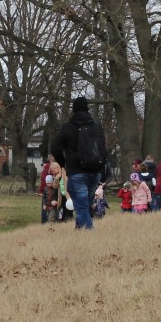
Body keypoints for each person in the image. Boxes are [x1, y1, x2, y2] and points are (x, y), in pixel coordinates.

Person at [49, 97, 109, 230]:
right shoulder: (97, 127)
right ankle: (78, 228)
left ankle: (89, 232)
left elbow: (55, 148)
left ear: (74, 110)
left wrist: (64, 163)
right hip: (95, 171)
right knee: (85, 204)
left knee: (81, 206)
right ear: (87, 108)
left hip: (77, 172)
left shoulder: (67, 127)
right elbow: (103, 149)